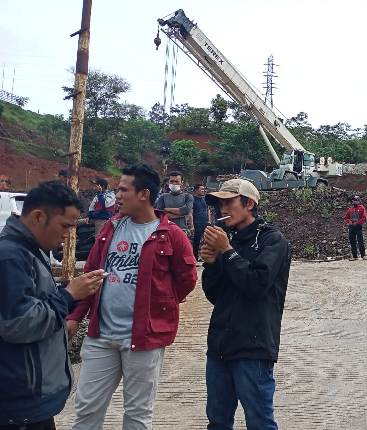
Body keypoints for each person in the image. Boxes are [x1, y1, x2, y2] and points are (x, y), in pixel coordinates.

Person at [67, 164, 197, 429]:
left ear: (144, 194)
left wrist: (162, 304)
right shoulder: (110, 230)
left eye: (124, 190)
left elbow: (187, 280)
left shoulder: (171, 235)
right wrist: (75, 317)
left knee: (138, 413)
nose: (118, 195)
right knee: (86, 408)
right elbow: (90, 275)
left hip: (144, 339)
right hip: (101, 336)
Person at [0, 181, 106, 430]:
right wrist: (68, 296)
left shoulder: (30, 251)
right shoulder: (10, 257)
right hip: (19, 403)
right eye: (65, 225)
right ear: (38, 217)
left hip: (29, 400)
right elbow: (18, 323)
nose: (69, 234)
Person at [200, 178, 291, 430]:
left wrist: (227, 252)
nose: (222, 210)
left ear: (249, 203)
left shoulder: (273, 241)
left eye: (228, 202)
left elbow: (256, 285)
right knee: (217, 422)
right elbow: (215, 295)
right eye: (219, 205)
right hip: (219, 346)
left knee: (259, 422)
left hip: (254, 347)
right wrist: (210, 263)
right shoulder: (229, 239)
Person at [154, 171, 194, 238]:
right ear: (168, 182)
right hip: (166, 230)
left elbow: (186, 210)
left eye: (176, 181)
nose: (174, 183)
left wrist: (167, 209)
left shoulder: (188, 196)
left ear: (182, 182)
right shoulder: (163, 197)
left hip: (182, 230)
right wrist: (182, 214)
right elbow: (160, 215)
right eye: (172, 181)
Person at [343, 195, 367, 260]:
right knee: (352, 241)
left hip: (358, 226)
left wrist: (357, 223)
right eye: (353, 200)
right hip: (351, 227)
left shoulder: (361, 208)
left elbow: (364, 218)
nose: (355, 202)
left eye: (356, 200)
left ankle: (363, 255)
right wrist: (349, 222)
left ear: (359, 201)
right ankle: (355, 256)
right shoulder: (350, 209)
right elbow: (346, 218)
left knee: (360, 241)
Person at [192, 183, 211, 260]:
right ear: (196, 190)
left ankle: (205, 257)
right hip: (197, 222)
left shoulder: (204, 199)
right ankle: (195, 257)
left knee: (208, 240)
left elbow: (208, 209)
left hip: (206, 222)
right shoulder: (192, 199)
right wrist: (192, 225)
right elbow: (191, 212)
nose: (203, 191)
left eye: (204, 189)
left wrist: (209, 220)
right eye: (201, 189)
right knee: (197, 241)